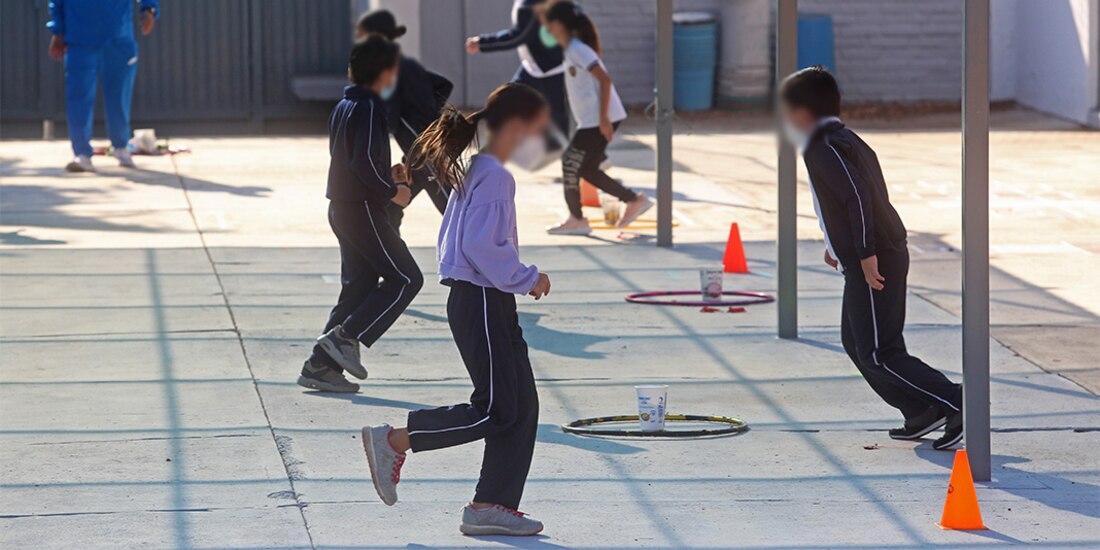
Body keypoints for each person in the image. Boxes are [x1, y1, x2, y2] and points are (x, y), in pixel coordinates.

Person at [360, 83, 551, 536]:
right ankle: (393, 441)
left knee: (520, 405)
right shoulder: (495, 176)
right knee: (494, 409)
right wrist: (527, 277)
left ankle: (491, 505)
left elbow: (459, 241)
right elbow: (481, 246)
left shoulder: (478, 168)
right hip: (481, 298)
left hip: (483, 299)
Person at [779, 66, 963, 450]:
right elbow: (853, 200)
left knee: (881, 351)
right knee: (857, 343)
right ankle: (920, 411)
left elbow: (857, 198)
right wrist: (837, 245)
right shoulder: (845, 139)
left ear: (802, 111)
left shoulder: (822, 145)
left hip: (876, 259)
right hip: (871, 255)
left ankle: (960, 403)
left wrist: (864, 253)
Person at [297, 36, 423, 394]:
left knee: (359, 288)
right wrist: (391, 190)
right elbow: (363, 163)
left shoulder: (345, 105)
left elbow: (356, 160)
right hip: (363, 208)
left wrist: (388, 174)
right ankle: (346, 338)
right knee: (406, 279)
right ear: (384, 73)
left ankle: (319, 367)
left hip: (343, 207)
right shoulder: (369, 108)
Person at [542, 1, 653, 236]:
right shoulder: (570, 49)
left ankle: (577, 219)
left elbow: (604, 80)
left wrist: (603, 119)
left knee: (570, 163)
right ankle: (634, 200)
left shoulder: (577, 49)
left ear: (559, 24)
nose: (546, 28)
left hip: (597, 118)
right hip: (595, 118)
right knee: (588, 170)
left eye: (548, 23)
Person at [356, 9, 455, 232]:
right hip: (419, 147)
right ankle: (388, 238)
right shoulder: (405, 64)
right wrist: (431, 109)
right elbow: (444, 85)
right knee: (397, 195)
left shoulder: (388, 69)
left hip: (423, 147)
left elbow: (390, 115)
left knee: (449, 202)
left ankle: (474, 245)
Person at [47, 0, 159, 172]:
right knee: (79, 96)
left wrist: (149, 9)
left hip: (118, 39)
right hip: (79, 39)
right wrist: (58, 30)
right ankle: (82, 154)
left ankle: (121, 147)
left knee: (120, 96)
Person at [466, 0, 570, 156]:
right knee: (506, 102)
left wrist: (482, 42)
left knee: (557, 120)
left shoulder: (530, 5)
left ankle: (584, 159)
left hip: (549, 68)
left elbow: (518, 36)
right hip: (534, 67)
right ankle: (489, 152)